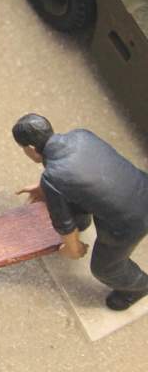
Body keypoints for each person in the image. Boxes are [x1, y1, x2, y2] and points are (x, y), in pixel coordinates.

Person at [13, 113, 148, 311]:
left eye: (23, 148)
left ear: (31, 148)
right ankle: (83, 223)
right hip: (141, 187)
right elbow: (89, 171)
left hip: (130, 222)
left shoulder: (53, 176)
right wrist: (46, 188)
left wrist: (73, 248)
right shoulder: (81, 136)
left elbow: (64, 225)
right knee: (73, 200)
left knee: (105, 269)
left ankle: (138, 287)